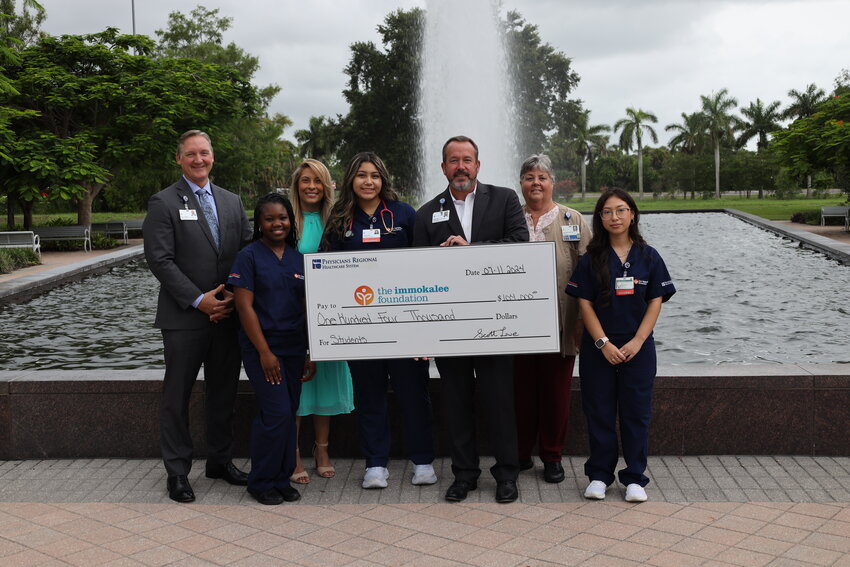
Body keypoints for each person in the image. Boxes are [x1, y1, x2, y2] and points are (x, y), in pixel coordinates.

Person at [412, 135, 529, 503]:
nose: (460, 166)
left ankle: (507, 474)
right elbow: (417, 275)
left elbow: (520, 247)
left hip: (495, 322)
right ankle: (464, 474)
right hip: (449, 327)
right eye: (453, 160)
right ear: (443, 167)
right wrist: (422, 335)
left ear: (478, 165)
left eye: (467, 159)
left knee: (499, 402)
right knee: (457, 403)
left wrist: (472, 250)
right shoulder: (426, 213)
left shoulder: (505, 198)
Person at [143, 129, 252, 503]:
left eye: (204, 153)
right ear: (179, 159)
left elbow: (245, 253)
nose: (198, 159)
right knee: (177, 395)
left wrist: (233, 295)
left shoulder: (232, 201)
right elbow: (160, 259)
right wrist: (197, 299)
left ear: (212, 156)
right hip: (184, 318)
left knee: (223, 392)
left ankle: (220, 461)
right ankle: (177, 471)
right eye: (190, 154)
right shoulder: (163, 202)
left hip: (227, 315)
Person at [324, 152, 437, 489]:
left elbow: (425, 269)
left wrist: (426, 330)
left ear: (383, 178)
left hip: (405, 326)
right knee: (369, 394)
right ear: (350, 180)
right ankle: (375, 464)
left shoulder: (403, 215)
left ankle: (423, 460)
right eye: (361, 175)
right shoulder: (340, 218)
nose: (368, 181)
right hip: (362, 329)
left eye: (374, 175)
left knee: (414, 394)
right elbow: (325, 272)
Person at [565, 187, 676, 503]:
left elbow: (656, 300)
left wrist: (638, 341)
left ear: (632, 214)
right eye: (607, 212)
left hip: (638, 350)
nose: (614, 217)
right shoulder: (591, 258)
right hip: (598, 350)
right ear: (600, 218)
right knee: (598, 411)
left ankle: (635, 478)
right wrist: (602, 343)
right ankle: (599, 475)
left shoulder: (649, 256)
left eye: (620, 210)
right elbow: (583, 304)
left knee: (636, 414)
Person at [227, 192, 313, 505]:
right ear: (259, 224)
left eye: (283, 218)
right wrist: (264, 352)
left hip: (293, 348)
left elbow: (306, 308)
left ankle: (281, 477)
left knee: (289, 413)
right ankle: (261, 481)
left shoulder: (297, 258)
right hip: (263, 349)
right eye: (270, 219)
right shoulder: (248, 256)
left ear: (291, 221)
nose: (278, 223)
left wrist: (309, 352)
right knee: (275, 414)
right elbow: (244, 307)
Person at [514, 154, 590, 484]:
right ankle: (519, 453)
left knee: (556, 394)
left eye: (542, 177)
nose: (536, 183)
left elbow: (589, 270)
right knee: (520, 393)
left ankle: (552, 456)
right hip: (515, 324)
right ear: (521, 183)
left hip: (561, 324)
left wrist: (583, 323)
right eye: (529, 177)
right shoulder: (510, 219)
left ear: (552, 183)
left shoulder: (572, 219)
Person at [288, 159, 354, 484]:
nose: (311, 186)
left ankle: (322, 450)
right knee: (299, 387)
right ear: (296, 185)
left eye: (317, 180)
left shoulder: (337, 221)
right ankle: (295, 454)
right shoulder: (288, 221)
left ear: (327, 185)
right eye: (305, 180)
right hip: (295, 315)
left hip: (331, 315)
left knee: (325, 381)